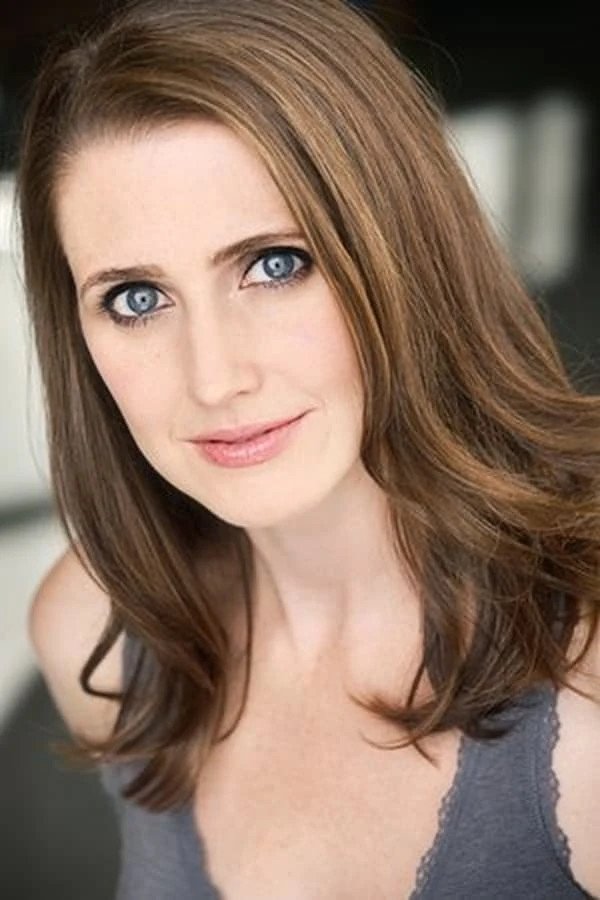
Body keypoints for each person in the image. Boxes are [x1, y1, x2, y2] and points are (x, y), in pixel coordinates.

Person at [18, 0, 600, 897]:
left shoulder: (585, 697)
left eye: (275, 264)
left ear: (407, 254)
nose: (214, 379)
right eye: (136, 298)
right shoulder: (94, 628)